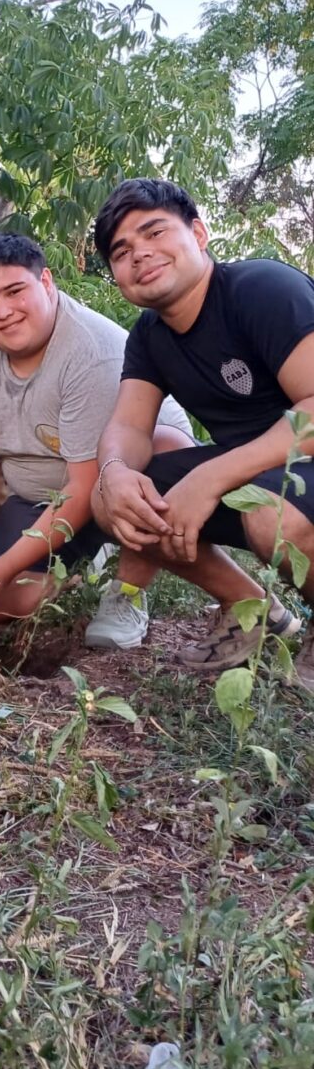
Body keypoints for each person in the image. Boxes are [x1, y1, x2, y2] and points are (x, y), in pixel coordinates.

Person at [91, 177, 313, 690]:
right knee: (111, 498)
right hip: (258, 470)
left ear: (198, 233)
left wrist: (210, 478)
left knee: (270, 513)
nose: (139, 254)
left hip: (296, 468)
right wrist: (115, 471)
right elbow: (129, 425)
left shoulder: (261, 289)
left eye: (154, 233)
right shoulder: (150, 335)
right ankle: (251, 609)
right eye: (121, 251)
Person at [0, 231, 193, 635]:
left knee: (165, 450)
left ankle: (128, 592)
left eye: (14, 292)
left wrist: (4, 566)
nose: (3, 312)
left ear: (46, 282)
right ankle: (77, 567)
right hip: (39, 496)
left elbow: (84, 486)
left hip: (115, 482)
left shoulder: (89, 353)